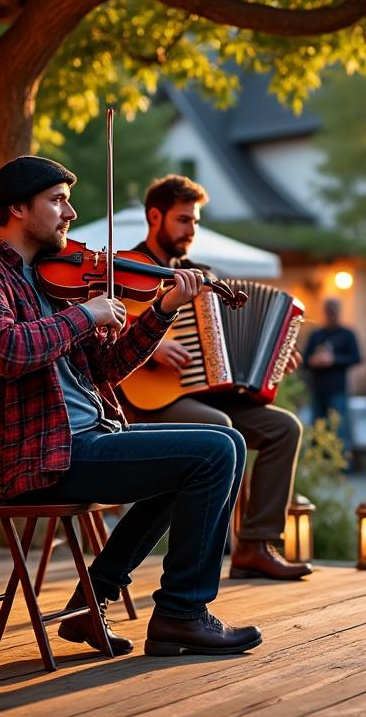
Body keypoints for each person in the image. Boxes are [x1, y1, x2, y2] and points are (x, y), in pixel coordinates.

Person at [0, 156, 258, 657]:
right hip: (42, 455)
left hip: (90, 438)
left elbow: (106, 368)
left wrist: (159, 312)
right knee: (214, 453)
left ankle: (94, 601)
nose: (70, 213)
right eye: (57, 201)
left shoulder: (53, 282)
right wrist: (85, 316)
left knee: (227, 442)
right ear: (17, 209)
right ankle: (182, 614)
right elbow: (6, 352)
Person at [126, 175, 309, 581]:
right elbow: (103, 329)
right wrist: (152, 345)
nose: (191, 230)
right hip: (147, 400)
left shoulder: (199, 276)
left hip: (204, 393)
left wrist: (275, 357)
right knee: (219, 427)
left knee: (283, 428)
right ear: (155, 217)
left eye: (195, 222)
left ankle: (255, 545)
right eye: (183, 220)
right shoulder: (128, 270)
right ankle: (204, 556)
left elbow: (227, 343)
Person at [304, 297, 362, 455]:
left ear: (339, 311)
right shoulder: (316, 335)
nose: (331, 313)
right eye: (329, 310)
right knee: (317, 427)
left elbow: (357, 358)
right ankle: (317, 464)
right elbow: (305, 360)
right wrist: (314, 361)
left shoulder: (347, 334)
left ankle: (342, 466)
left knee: (340, 428)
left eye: (334, 309)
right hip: (318, 388)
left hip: (338, 389)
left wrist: (334, 360)